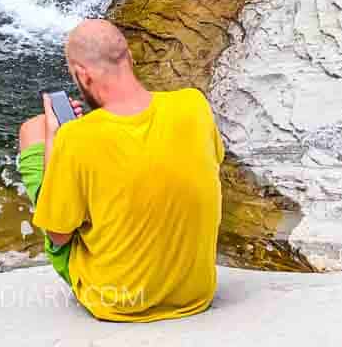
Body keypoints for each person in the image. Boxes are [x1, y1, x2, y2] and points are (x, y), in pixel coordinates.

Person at [16, 19, 224, 322]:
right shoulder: (194, 104)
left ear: (83, 76)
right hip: (195, 293)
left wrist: (54, 140)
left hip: (118, 300)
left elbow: (58, 235)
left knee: (32, 129)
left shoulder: (76, 139)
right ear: (129, 56)